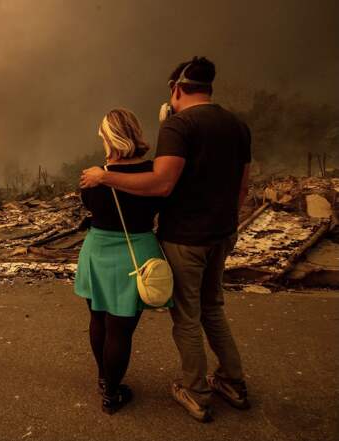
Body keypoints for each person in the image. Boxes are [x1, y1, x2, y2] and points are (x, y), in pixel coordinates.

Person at [80, 56, 251, 422]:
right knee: (213, 309)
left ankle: (195, 392)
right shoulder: (238, 124)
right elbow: (243, 183)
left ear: (176, 88)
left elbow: (162, 184)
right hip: (222, 233)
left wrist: (105, 176)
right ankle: (233, 382)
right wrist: (228, 223)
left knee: (186, 317)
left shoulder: (179, 126)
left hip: (186, 238)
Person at [75, 108, 170, 414]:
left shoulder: (92, 177)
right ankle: (112, 392)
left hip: (98, 251)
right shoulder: (154, 173)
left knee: (98, 319)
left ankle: (105, 381)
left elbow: (89, 205)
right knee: (120, 330)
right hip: (136, 252)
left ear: (110, 137)